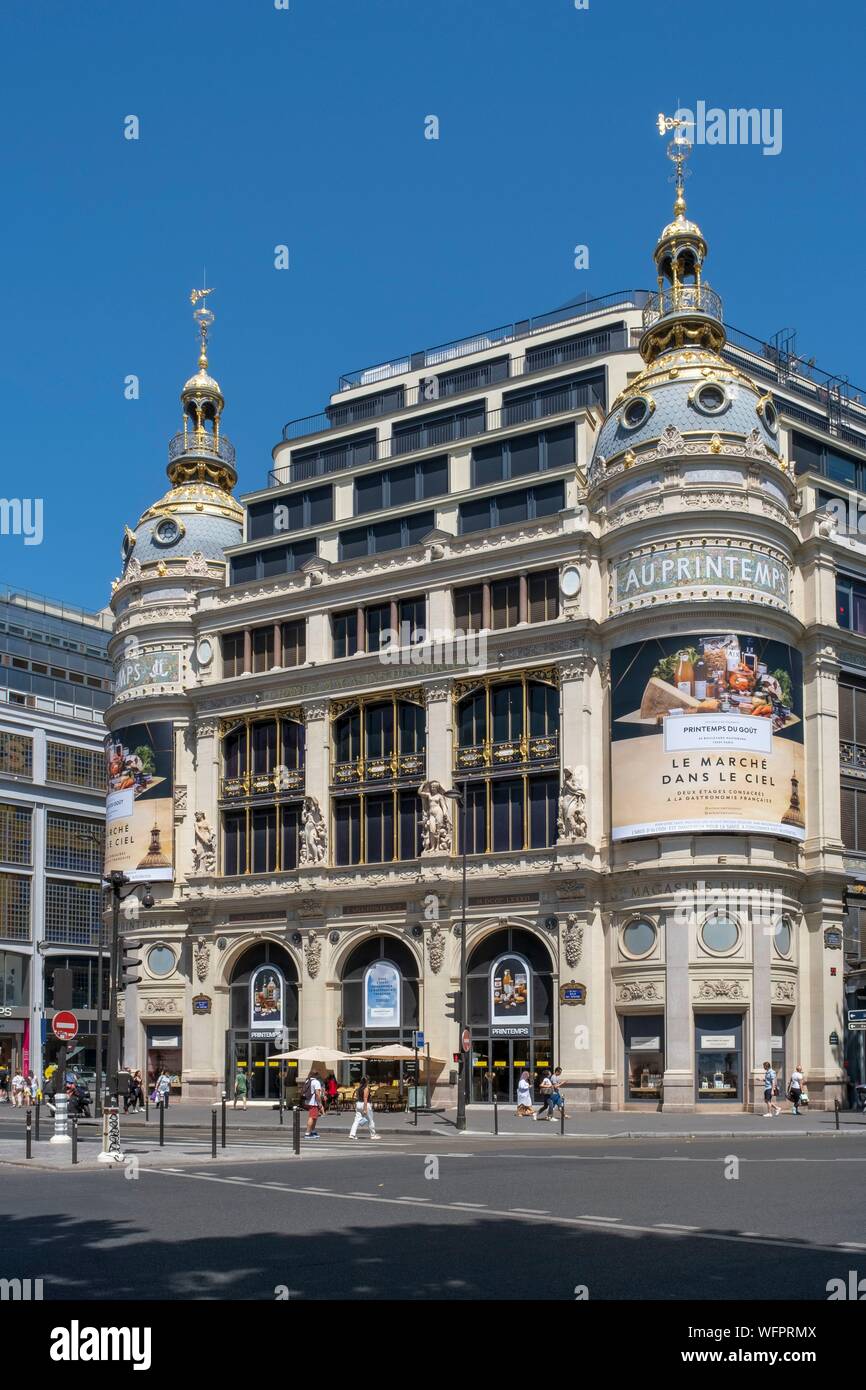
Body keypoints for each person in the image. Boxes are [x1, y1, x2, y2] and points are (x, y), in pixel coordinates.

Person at [349, 1075, 380, 1140]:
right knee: (370, 1120)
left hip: (358, 1104)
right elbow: (365, 1098)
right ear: (367, 1081)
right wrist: (365, 1109)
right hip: (365, 1104)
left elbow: (357, 1097)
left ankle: (352, 1134)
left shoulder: (359, 1088)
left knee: (356, 1120)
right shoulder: (366, 1088)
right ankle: (373, 1135)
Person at [303, 1070, 323, 1139]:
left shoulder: (307, 1081)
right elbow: (317, 1094)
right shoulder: (316, 1082)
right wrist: (320, 1104)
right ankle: (307, 1133)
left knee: (314, 1117)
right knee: (312, 1117)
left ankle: (313, 1131)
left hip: (308, 1101)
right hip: (314, 1102)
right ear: (317, 1075)